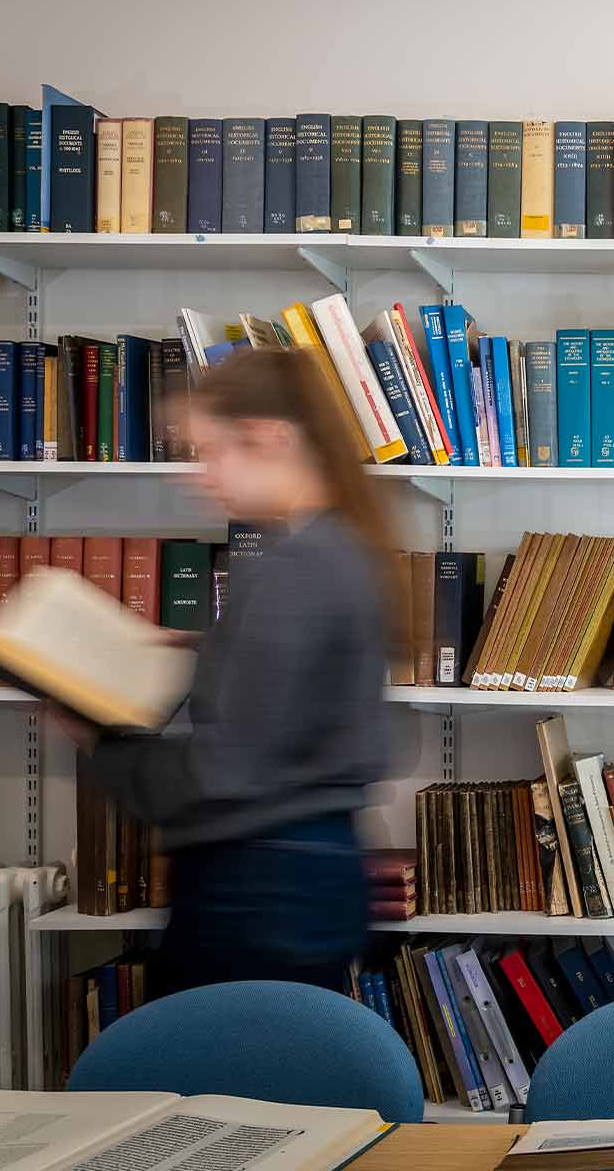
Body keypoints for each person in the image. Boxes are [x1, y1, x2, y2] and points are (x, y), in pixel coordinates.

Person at [72, 349, 393, 994]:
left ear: (272, 438)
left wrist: (98, 744)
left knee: (223, 1088)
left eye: (213, 451)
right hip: (300, 872)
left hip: (258, 884)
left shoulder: (294, 565)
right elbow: (300, 693)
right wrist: (206, 649)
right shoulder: (333, 546)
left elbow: (228, 768)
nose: (200, 475)